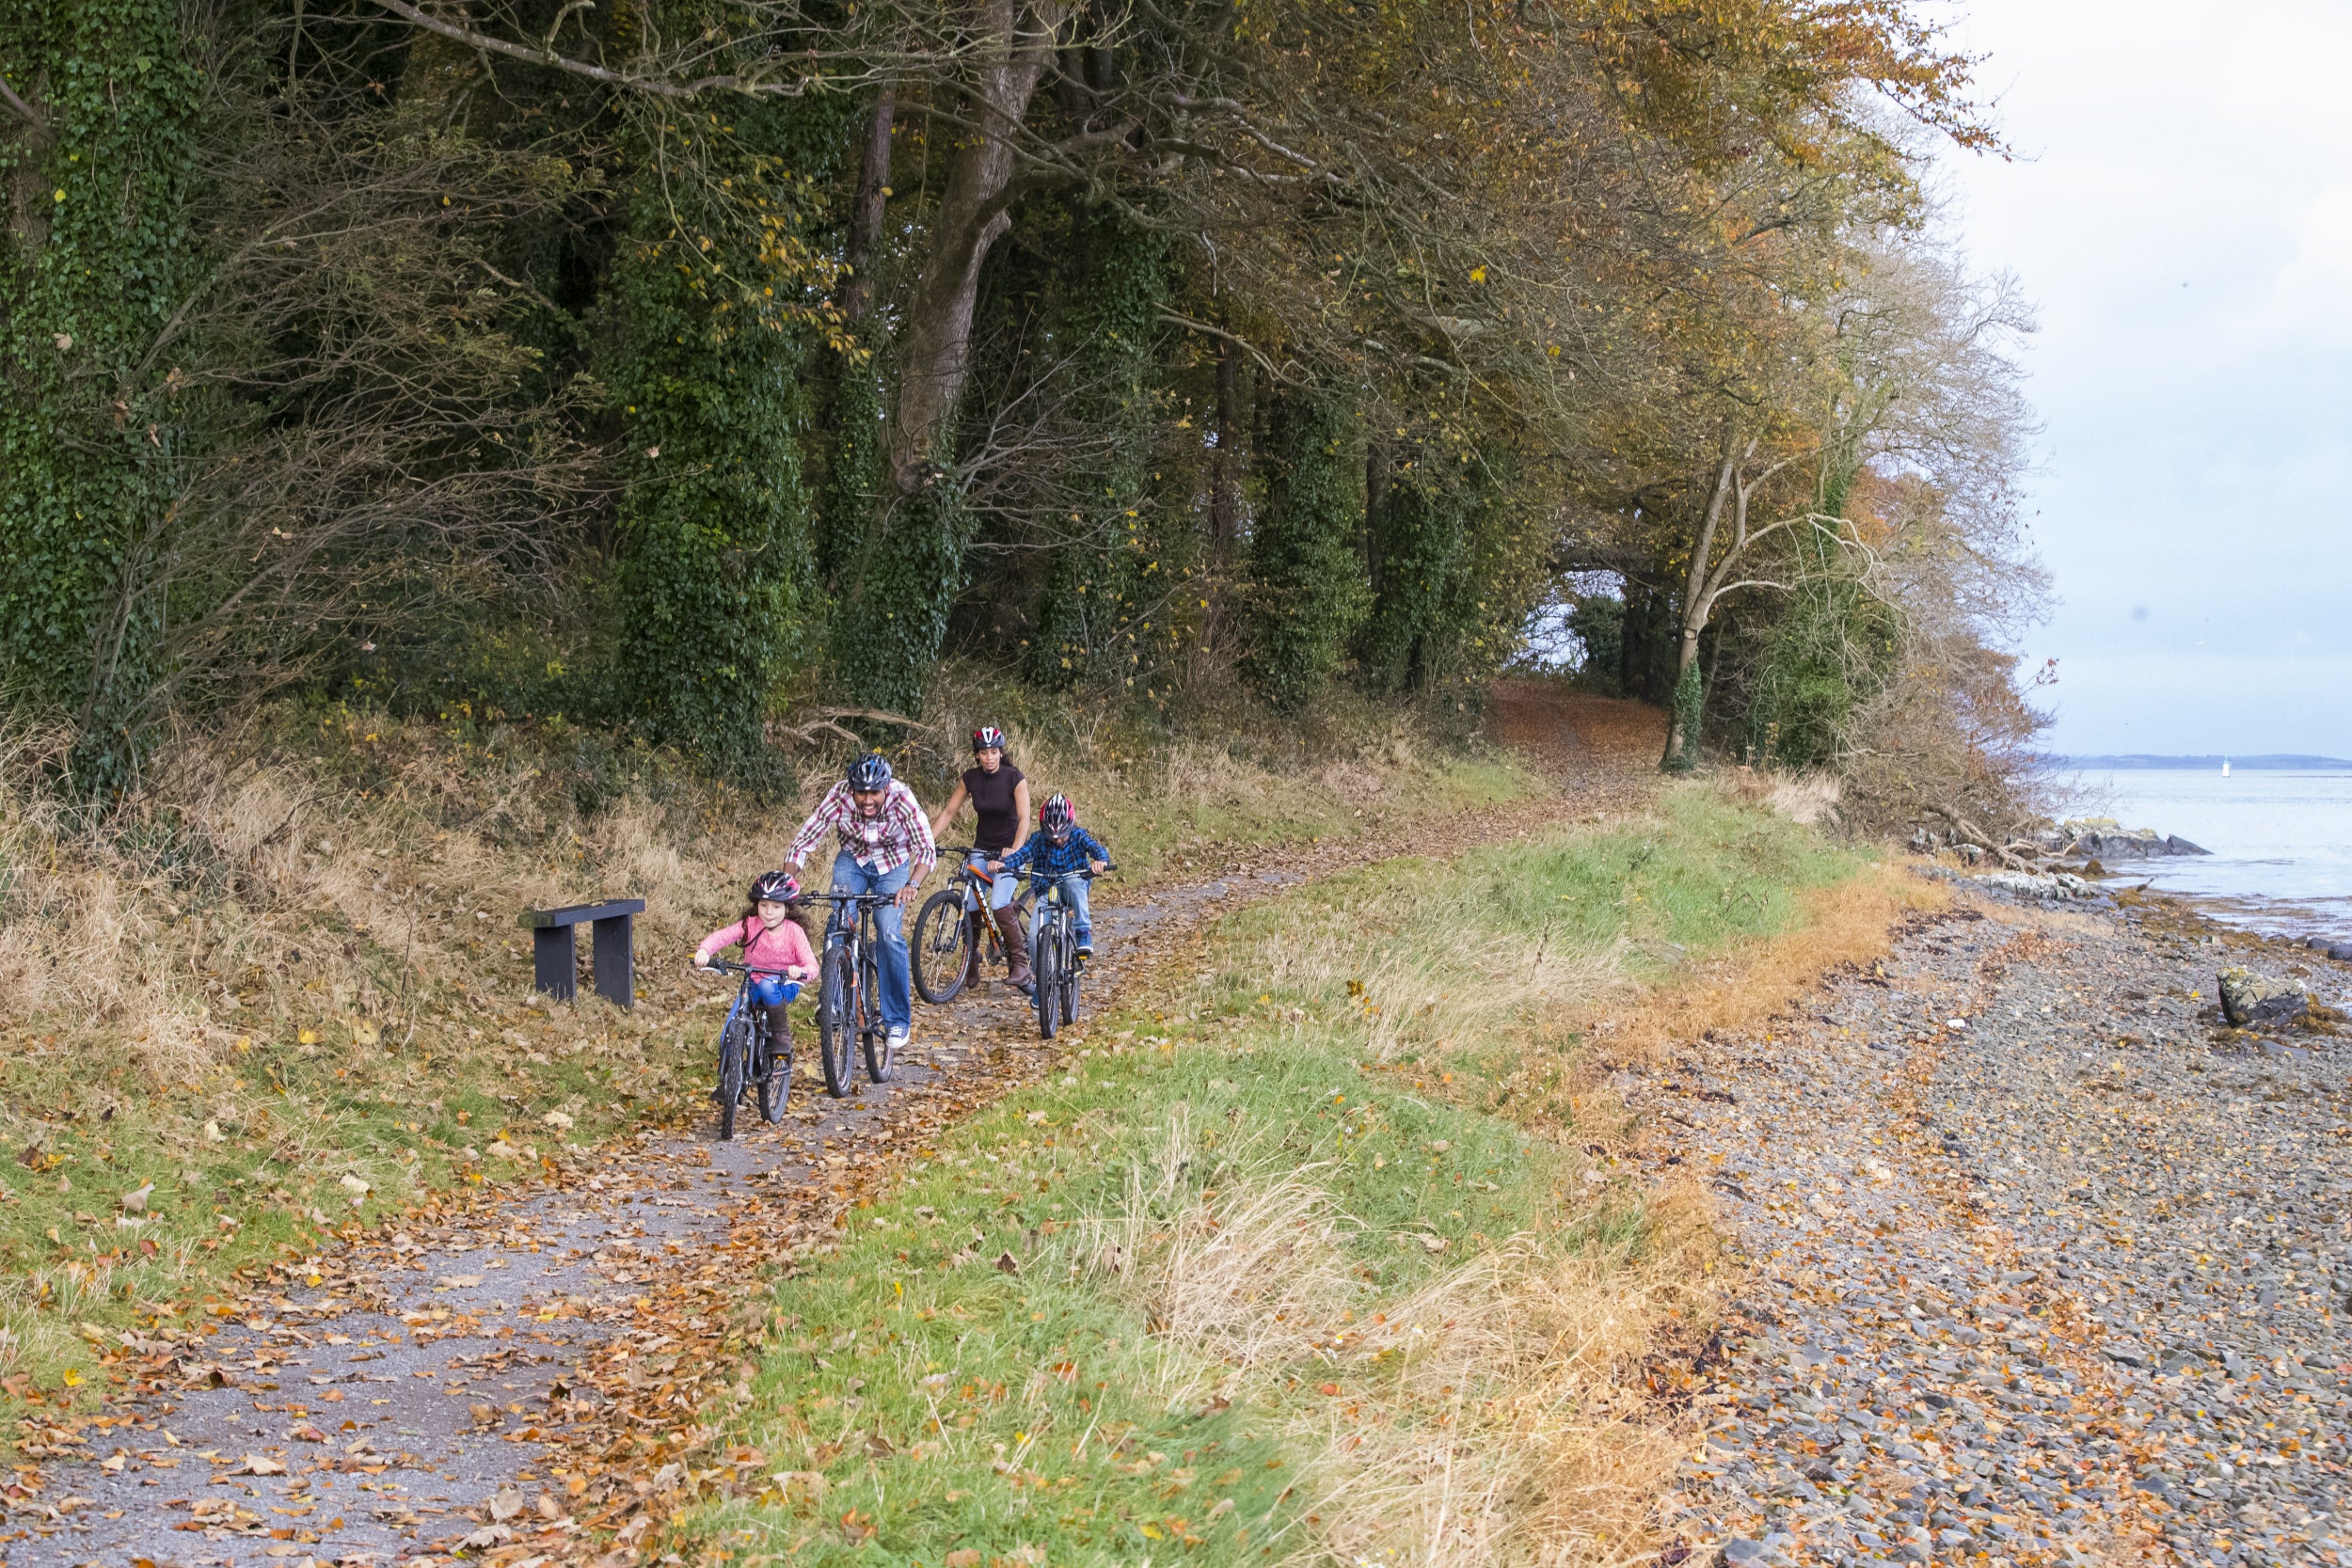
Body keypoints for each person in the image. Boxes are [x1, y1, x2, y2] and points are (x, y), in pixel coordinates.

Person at [787, 752, 936, 1053]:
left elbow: (926, 848)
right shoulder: (839, 796)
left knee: (888, 930)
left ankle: (897, 1019)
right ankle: (831, 1002)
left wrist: (912, 885)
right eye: (861, 793)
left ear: (886, 789)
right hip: (852, 860)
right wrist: (787, 881)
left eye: (874, 793)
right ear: (851, 789)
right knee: (839, 920)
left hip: (893, 865)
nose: (868, 800)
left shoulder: (902, 798)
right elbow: (806, 838)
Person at [927, 725, 1033, 989]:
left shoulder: (1014, 778)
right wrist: (927, 841)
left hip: (1010, 850)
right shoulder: (970, 778)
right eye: (984, 753)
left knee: (998, 903)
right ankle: (970, 962)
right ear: (977, 755)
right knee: (970, 905)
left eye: (994, 752)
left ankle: (1019, 964)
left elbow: (1024, 819)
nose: (989, 757)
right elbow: (949, 812)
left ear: (1001, 753)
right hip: (982, 848)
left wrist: (1015, 850)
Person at [691, 870, 816, 1081]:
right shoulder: (751, 924)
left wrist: (800, 971)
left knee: (768, 986)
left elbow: (812, 965)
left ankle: (780, 1034)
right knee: (728, 1035)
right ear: (756, 904)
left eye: (776, 907)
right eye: (763, 905)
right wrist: (705, 951)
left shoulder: (794, 932)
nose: (768, 912)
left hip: (783, 983)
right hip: (752, 982)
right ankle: (730, 1082)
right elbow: (723, 936)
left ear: (787, 908)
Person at [992, 793, 1109, 962]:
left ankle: (1083, 932)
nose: (1058, 841)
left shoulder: (1079, 836)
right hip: (1047, 889)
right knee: (1033, 939)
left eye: (1063, 836)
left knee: (1074, 881)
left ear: (1071, 826)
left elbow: (1097, 850)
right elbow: (1021, 855)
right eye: (1052, 837)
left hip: (1072, 887)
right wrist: (1003, 863)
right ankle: (1041, 983)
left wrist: (1101, 862)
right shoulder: (1038, 839)